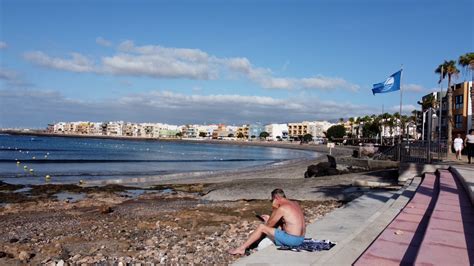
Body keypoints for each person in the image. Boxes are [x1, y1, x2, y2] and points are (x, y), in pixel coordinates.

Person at [228, 189, 305, 255]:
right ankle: (256, 246)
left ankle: (241, 249)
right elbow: (287, 222)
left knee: (262, 227)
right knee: (278, 227)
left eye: (272, 200)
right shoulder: (295, 203)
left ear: (276, 198)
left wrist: (274, 210)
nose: (272, 202)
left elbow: (269, 225)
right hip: (301, 239)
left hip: (293, 240)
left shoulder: (282, 208)